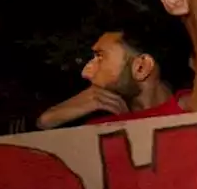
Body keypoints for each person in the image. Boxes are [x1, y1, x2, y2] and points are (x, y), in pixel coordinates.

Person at [37, 27, 174, 128]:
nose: (85, 73)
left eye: (100, 57)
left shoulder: (192, 113)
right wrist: (49, 119)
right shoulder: (101, 129)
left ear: (141, 67)